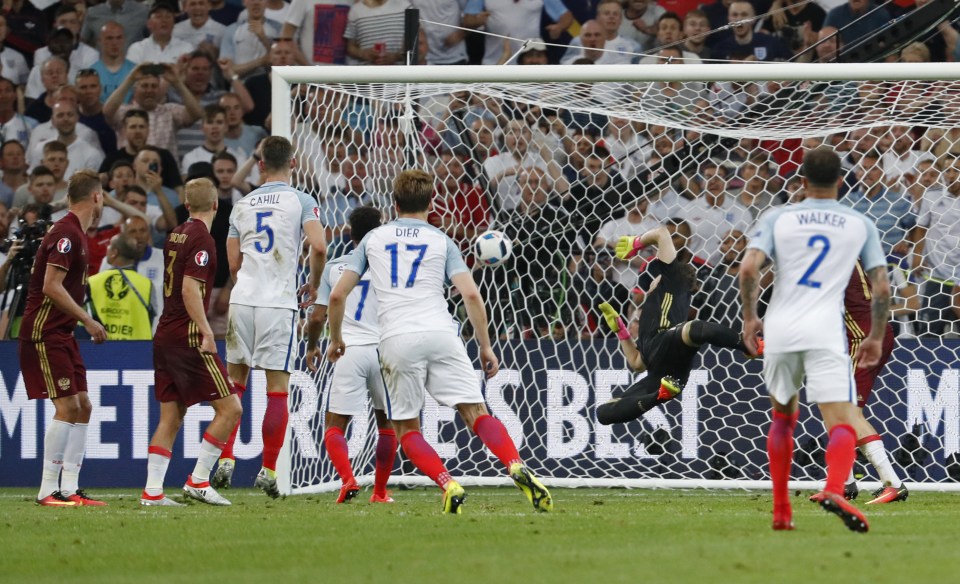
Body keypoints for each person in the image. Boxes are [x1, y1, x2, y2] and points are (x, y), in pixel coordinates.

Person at [326, 169, 553, 515]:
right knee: (476, 413)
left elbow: (338, 296)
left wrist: (337, 340)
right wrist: (486, 345)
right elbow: (471, 295)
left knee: (405, 429)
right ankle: (514, 463)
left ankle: (448, 483)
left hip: (397, 338)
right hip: (443, 333)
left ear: (394, 202)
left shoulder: (373, 239)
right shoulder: (442, 241)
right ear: (431, 203)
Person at [739, 146, 890, 532]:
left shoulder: (777, 216)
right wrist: (874, 335)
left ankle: (781, 512)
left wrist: (751, 317)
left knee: (783, 418)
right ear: (841, 181)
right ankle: (835, 488)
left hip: (782, 325)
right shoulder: (859, 223)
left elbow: (749, 268)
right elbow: (882, 287)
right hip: (825, 330)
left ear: (802, 181)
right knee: (841, 419)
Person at [217, 136, 327, 497]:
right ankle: (267, 469)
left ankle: (227, 458)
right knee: (277, 389)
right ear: (292, 163)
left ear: (260, 164)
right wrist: (312, 284)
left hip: (243, 299)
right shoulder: (302, 201)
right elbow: (320, 246)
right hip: (278, 303)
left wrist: (245, 283)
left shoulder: (242, 204)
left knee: (235, 384)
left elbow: (233, 262)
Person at [140, 178, 242, 507]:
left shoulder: (177, 233)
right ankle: (198, 480)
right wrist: (207, 330)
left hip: (164, 333)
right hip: (187, 335)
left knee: (171, 416)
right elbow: (188, 289)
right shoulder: (202, 238)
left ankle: (152, 491)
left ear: (186, 205)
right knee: (230, 409)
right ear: (215, 206)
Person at [595, 223, 757, 426]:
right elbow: (637, 363)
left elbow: (662, 233)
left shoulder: (671, 282)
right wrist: (621, 332)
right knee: (604, 413)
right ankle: (658, 396)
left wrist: (636, 243)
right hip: (668, 376)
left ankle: (749, 344)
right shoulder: (654, 312)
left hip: (668, 344)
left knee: (694, 328)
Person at [18, 169, 108, 506]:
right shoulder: (66, 234)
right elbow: (50, 286)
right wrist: (88, 320)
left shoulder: (76, 234)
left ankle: (70, 488)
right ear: (96, 198)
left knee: (83, 405)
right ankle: (47, 490)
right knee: (67, 406)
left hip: (62, 333)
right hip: (44, 332)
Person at [303, 207, 397, 504]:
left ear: (350, 232)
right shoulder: (391, 268)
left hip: (349, 350)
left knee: (334, 425)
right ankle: (380, 493)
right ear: (379, 230)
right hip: (385, 352)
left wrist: (313, 345)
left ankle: (347, 480)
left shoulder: (334, 267)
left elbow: (317, 317)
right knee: (388, 424)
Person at [87, 233, 155, 340]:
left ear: (114, 252)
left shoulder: (92, 282)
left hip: (100, 350)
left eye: (109, 245)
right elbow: (153, 317)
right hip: (138, 351)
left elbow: (82, 320)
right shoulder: (147, 285)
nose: (107, 248)